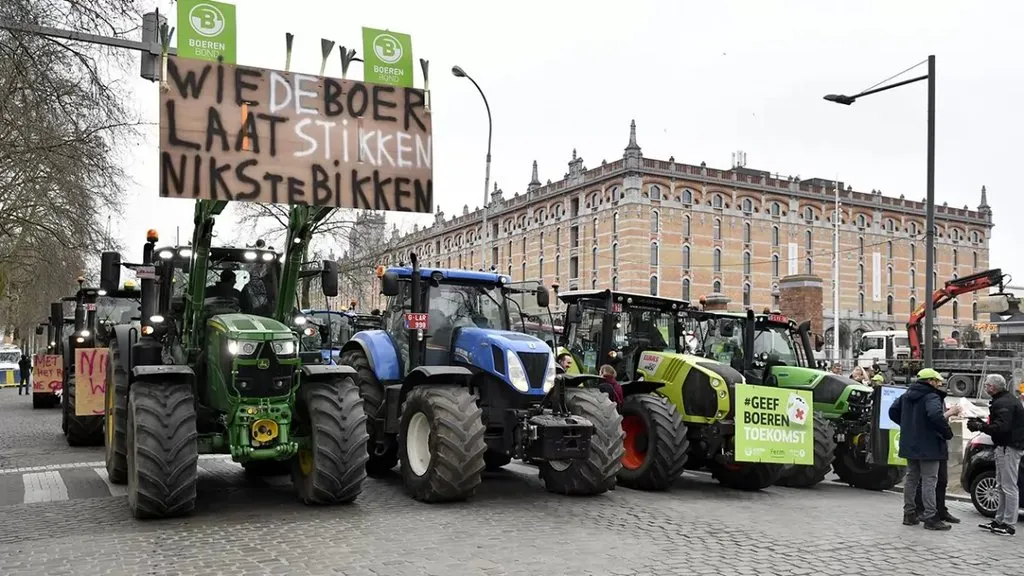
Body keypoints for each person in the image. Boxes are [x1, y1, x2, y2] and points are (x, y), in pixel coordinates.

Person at [888, 368, 954, 530]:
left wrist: (907, 426)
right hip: (929, 445)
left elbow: (892, 412)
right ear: (930, 381)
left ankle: (909, 514)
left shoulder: (906, 395)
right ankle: (931, 517)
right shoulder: (931, 396)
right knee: (929, 480)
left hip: (910, 443)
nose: (938, 384)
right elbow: (935, 415)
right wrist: (946, 432)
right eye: (937, 381)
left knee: (911, 479)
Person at [968, 374, 1024, 536]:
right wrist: (982, 423)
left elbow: (1002, 427)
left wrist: (980, 426)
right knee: (1001, 485)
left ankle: (1009, 524)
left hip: (1009, 447)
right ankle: (999, 520)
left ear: (992, 387)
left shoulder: (1003, 403)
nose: (985, 387)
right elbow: (1001, 424)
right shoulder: (1006, 400)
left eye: (986, 385)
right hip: (1005, 446)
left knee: (1008, 486)